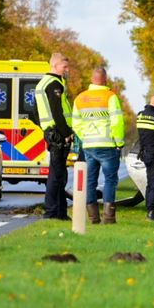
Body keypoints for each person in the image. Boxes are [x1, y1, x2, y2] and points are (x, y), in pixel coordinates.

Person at [72, 66, 125, 224]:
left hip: (88, 146)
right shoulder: (110, 97)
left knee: (90, 181)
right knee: (110, 179)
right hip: (107, 145)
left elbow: (76, 124)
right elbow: (116, 122)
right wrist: (119, 142)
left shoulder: (80, 99)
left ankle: (93, 217)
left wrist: (85, 138)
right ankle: (108, 217)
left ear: (91, 79)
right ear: (105, 79)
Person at [34, 53, 73, 220]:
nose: (66, 70)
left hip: (51, 132)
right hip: (58, 134)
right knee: (56, 176)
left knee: (58, 174)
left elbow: (34, 112)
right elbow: (57, 112)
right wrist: (66, 133)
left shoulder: (41, 83)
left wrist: (45, 129)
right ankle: (52, 212)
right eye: (64, 67)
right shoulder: (55, 84)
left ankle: (60, 212)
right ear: (55, 66)